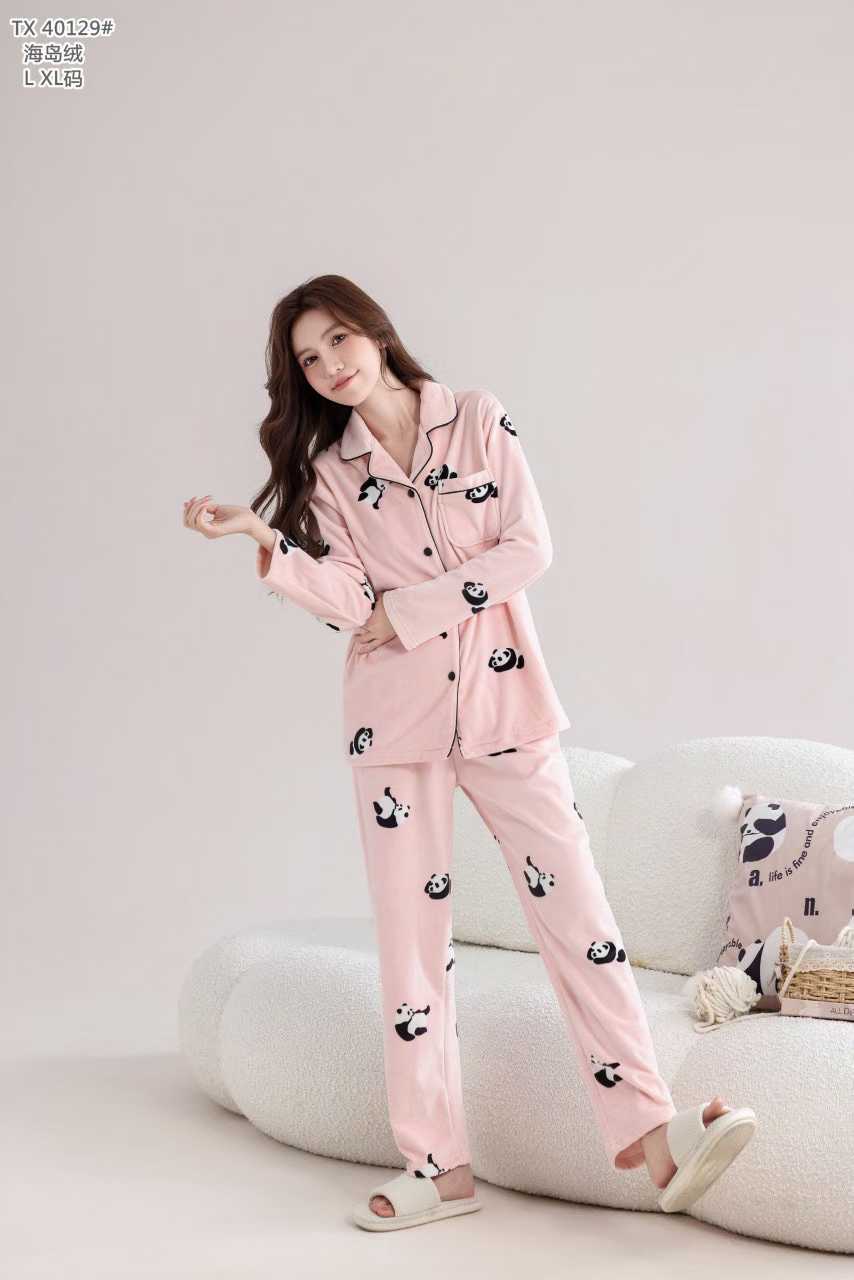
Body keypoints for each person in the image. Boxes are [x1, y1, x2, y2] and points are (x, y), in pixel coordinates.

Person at [182, 273, 756, 1232]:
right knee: (411, 945)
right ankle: (437, 1167)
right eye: (308, 360)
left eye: (336, 341)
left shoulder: (477, 419)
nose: (328, 367)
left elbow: (526, 548)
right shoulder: (331, 471)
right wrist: (266, 542)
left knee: (579, 914)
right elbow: (351, 603)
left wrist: (410, 609)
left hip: (504, 703)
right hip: (394, 724)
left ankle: (655, 1137)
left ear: (375, 331)